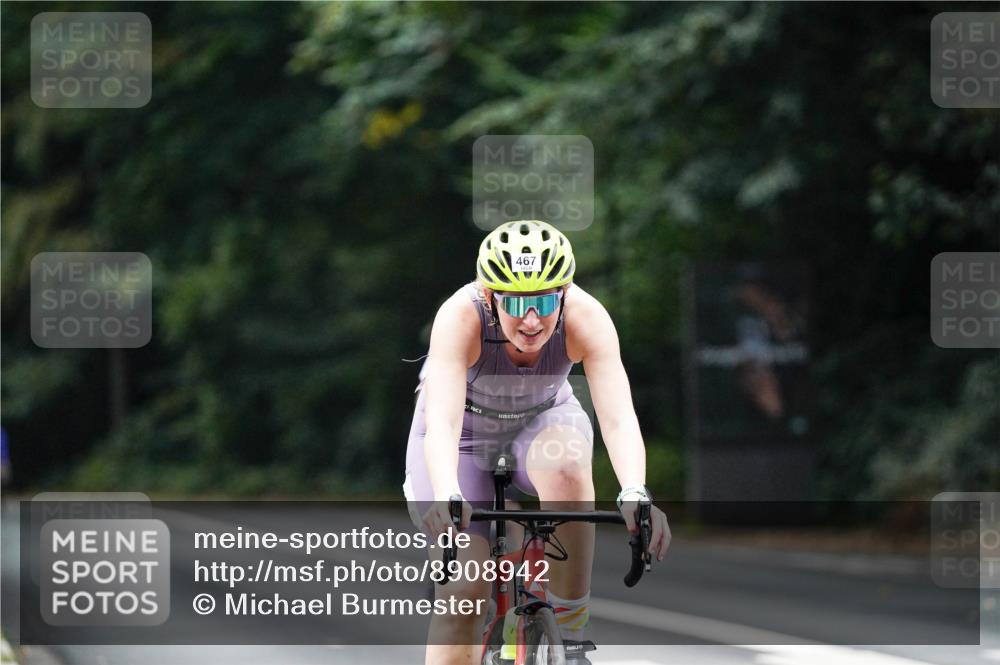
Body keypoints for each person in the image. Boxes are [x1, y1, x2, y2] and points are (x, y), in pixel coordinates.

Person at [403, 220, 671, 665]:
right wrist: (447, 491)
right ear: (490, 298)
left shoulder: (586, 317)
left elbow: (619, 417)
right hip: (463, 437)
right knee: (463, 595)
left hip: (540, 422)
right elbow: (444, 424)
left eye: (545, 302)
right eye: (516, 304)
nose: (532, 320)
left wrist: (635, 491)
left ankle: (569, 630)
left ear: (563, 295)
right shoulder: (459, 316)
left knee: (566, 464)